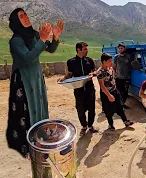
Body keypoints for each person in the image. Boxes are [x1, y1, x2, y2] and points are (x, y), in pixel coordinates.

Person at [6, 8, 63, 158]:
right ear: (16, 21)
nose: (26, 17)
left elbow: (50, 49)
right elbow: (27, 58)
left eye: (26, 14)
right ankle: (28, 144)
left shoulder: (34, 35)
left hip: (36, 77)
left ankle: (41, 137)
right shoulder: (16, 40)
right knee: (27, 110)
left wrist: (55, 37)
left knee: (39, 104)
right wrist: (43, 39)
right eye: (21, 16)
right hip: (24, 80)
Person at [57, 42, 98, 137]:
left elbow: (94, 70)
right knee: (80, 109)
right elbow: (70, 74)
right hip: (78, 89)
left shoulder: (89, 60)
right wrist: (63, 78)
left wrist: (93, 73)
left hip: (89, 88)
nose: (87, 51)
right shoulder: (71, 62)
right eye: (85, 49)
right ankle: (84, 126)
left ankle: (91, 125)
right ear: (78, 50)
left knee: (92, 108)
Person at [97, 53, 134, 130]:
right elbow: (102, 86)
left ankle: (125, 121)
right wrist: (109, 95)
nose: (111, 63)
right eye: (109, 61)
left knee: (120, 106)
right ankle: (110, 125)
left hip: (115, 91)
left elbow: (113, 79)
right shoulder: (100, 72)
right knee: (108, 110)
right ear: (104, 61)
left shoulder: (110, 69)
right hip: (106, 93)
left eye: (111, 61)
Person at [113, 43, 132, 108]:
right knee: (118, 92)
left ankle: (122, 103)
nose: (120, 49)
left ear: (124, 49)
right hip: (118, 78)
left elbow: (132, 65)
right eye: (119, 48)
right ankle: (118, 104)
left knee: (125, 92)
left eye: (122, 48)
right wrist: (114, 75)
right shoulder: (116, 57)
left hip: (126, 77)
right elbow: (114, 67)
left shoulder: (129, 56)